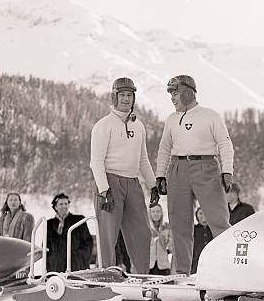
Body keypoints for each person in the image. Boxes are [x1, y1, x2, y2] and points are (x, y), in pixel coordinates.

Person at [155, 74, 234, 276]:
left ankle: (231, 270)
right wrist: (160, 175)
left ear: (188, 92)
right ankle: (182, 272)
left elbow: (225, 143)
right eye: (170, 94)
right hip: (177, 168)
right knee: (179, 224)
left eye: (175, 93)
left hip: (205, 166)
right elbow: (164, 148)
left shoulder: (210, 115)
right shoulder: (172, 119)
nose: (172, 98)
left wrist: (227, 171)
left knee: (219, 221)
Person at [90, 77, 159, 273]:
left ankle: (141, 276)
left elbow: (143, 159)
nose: (126, 99)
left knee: (142, 233)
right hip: (109, 182)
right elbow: (95, 162)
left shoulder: (139, 126)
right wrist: (104, 190)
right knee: (108, 235)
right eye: (122, 95)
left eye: (130, 95)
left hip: (132, 182)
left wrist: (152, 185)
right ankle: (106, 275)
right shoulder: (104, 125)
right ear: (114, 97)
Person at [46, 193, 93, 273]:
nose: (64, 206)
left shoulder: (79, 220)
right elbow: (46, 246)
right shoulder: (49, 224)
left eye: (66, 203)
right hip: (56, 266)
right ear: (55, 207)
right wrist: (50, 261)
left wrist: (80, 257)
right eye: (61, 204)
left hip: (76, 265)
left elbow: (88, 241)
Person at [149, 204, 172, 276]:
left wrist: (162, 238)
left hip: (163, 264)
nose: (155, 213)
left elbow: (171, 246)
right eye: (153, 211)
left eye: (158, 211)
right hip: (149, 264)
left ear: (161, 213)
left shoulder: (167, 227)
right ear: (149, 213)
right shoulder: (147, 227)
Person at [192, 207, 213, 274]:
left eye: (205, 213)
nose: (203, 215)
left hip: (211, 262)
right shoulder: (193, 229)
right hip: (196, 263)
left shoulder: (213, 229)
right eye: (200, 213)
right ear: (197, 215)